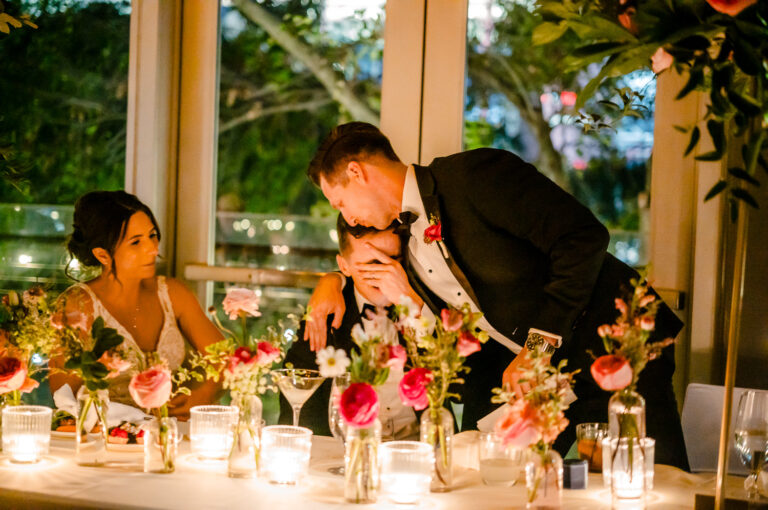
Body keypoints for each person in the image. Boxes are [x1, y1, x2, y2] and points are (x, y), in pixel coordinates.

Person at [302, 122, 689, 469]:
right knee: (496, 482)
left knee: (653, 485)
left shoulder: (474, 175)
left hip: (615, 349)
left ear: (357, 172)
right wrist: (334, 279)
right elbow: (368, 261)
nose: (348, 219)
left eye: (340, 203)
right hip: (546, 385)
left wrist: (537, 348)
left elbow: (583, 237)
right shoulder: (404, 239)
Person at [49, 191, 223, 419]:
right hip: (106, 440)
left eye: (152, 235)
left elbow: (226, 358)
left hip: (170, 434)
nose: (152, 248)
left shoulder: (172, 293)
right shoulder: (77, 306)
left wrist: (204, 393)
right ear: (102, 255)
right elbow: (66, 401)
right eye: (136, 242)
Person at [280, 215, 418, 438]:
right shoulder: (325, 313)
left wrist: (411, 304)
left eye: (394, 260)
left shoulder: (424, 305)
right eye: (372, 264)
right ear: (344, 265)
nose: (385, 274)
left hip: (420, 448)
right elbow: (298, 406)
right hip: (345, 452)